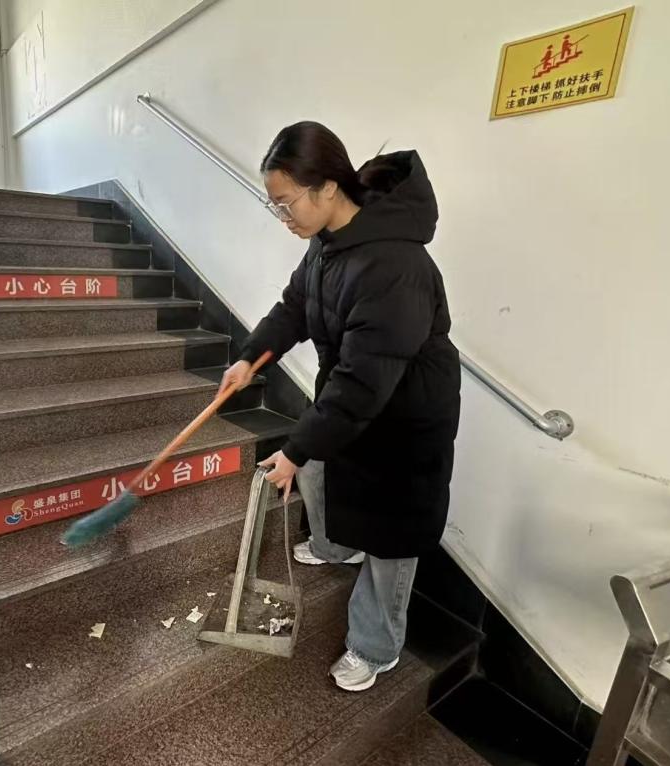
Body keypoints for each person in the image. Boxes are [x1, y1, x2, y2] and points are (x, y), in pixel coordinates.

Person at [218, 122, 461, 692]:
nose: (282, 217)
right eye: (273, 204)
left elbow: (363, 382)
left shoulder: (396, 264)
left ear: (327, 187)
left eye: (285, 202)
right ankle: (335, 545)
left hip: (405, 416)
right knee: (323, 467)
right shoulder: (326, 243)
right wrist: (251, 357)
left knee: (393, 532)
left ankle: (376, 647)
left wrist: (294, 449)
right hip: (356, 392)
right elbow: (295, 306)